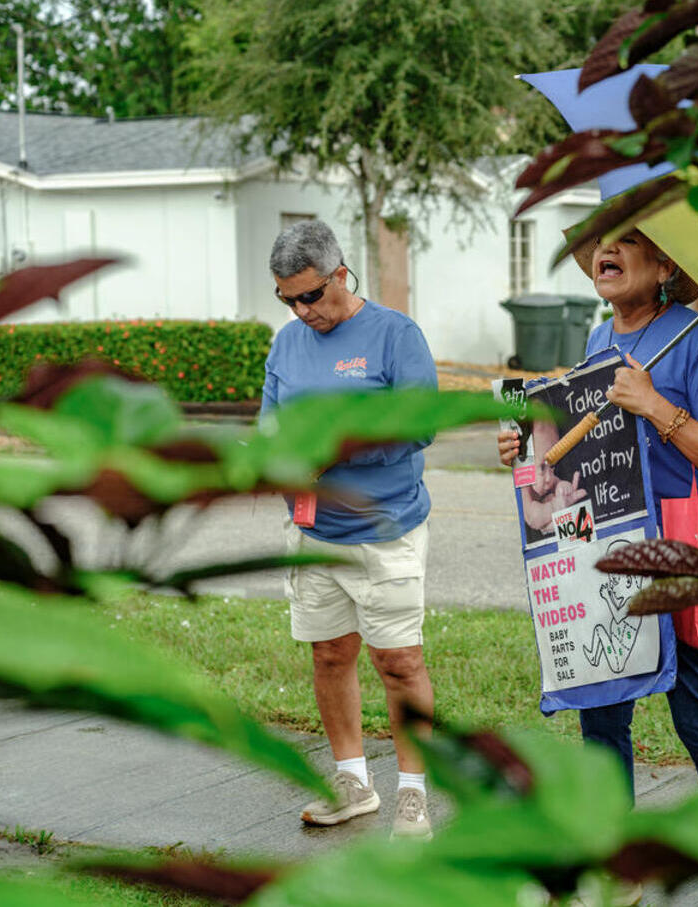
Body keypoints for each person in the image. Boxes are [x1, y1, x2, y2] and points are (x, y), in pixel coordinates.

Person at [497, 229, 698, 906]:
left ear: (665, 262)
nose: (604, 254)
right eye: (598, 247)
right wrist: (525, 451)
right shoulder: (595, 343)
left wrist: (658, 408)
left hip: (675, 548)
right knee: (602, 709)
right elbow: (577, 458)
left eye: (626, 243)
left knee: (693, 706)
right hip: (602, 547)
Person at [261, 220, 437, 839]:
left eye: (311, 295)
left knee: (399, 661)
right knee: (330, 653)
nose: (302, 310)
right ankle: (353, 783)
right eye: (287, 299)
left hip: (384, 530)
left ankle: (412, 795)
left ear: (341, 274)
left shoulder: (395, 334)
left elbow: (419, 425)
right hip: (313, 532)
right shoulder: (287, 344)